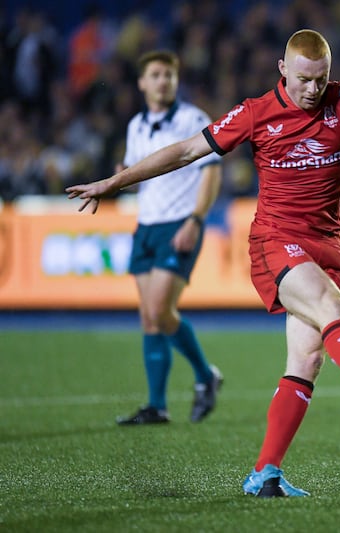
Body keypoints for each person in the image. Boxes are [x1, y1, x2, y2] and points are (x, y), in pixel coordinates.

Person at [67, 25, 340, 497]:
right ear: (282, 69)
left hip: (327, 245)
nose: (313, 89)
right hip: (276, 242)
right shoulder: (255, 114)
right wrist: (114, 182)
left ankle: (264, 473)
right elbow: (188, 150)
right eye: (304, 79)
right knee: (333, 311)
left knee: (307, 359)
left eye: (320, 79)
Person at [114, 50, 224, 425]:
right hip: (145, 226)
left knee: (160, 310)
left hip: (178, 224)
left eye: (169, 75)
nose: (163, 81)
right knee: (149, 318)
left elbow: (211, 173)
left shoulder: (193, 120)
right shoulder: (136, 126)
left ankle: (205, 375)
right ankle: (157, 406)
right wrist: (123, 179)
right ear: (142, 83)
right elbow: (139, 177)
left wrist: (195, 220)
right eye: (156, 75)